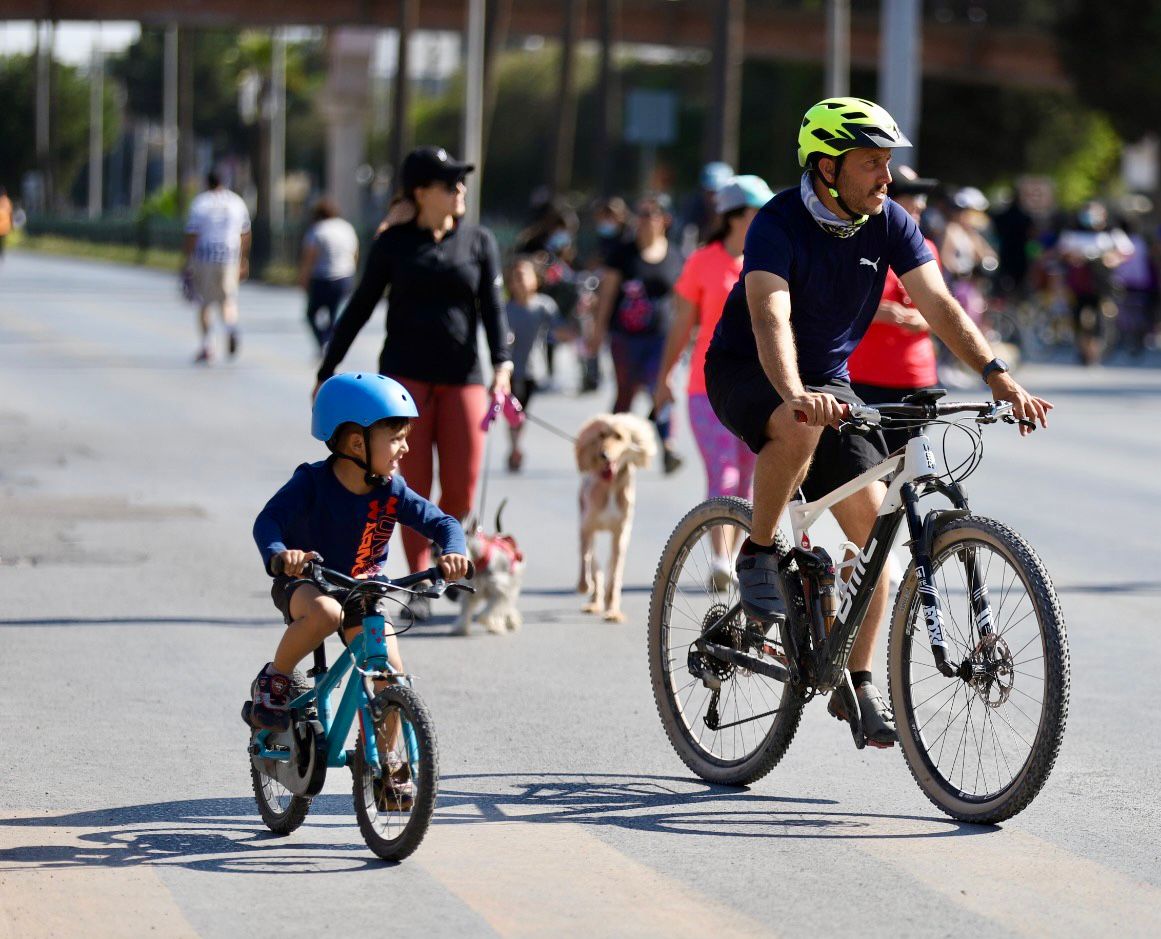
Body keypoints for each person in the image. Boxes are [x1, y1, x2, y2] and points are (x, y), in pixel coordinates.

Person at [705, 97, 1051, 748]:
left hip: (827, 383)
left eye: (887, 163)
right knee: (798, 425)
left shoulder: (886, 220)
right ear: (827, 165)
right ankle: (756, 552)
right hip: (748, 368)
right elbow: (769, 317)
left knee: (877, 560)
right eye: (871, 164)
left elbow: (939, 304)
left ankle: (855, 682)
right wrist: (794, 393)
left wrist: (996, 373)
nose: (886, 179)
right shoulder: (777, 223)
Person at [248, 375, 470, 811]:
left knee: (390, 672)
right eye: (396, 438)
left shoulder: (392, 491)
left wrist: (454, 552)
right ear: (354, 442)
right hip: (307, 581)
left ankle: (386, 768)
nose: (405, 447)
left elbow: (443, 523)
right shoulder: (312, 483)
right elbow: (267, 522)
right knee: (325, 614)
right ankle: (275, 678)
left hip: (362, 592)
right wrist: (281, 554)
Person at [316, 146, 512, 618]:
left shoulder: (479, 242)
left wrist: (503, 364)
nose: (459, 190)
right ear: (422, 193)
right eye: (449, 184)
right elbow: (360, 305)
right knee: (412, 484)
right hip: (403, 381)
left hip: (463, 376)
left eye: (460, 183)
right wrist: (329, 367)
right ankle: (417, 581)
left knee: (462, 487)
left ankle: (444, 557)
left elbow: (493, 310)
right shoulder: (393, 243)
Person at [655, 174, 774, 588]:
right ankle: (720, 558)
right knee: (722, 472)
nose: (765, 217)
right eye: (758, 211)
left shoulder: (770, 259)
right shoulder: (702, 262)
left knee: (748, 477)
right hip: (706, 387)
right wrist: (664, 376)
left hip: (760, 387)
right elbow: (681, 325)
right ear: (735, 216)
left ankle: (739, 554)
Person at [847, 166, 942, 455]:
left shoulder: (926, 248)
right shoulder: (856, 242)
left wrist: (925, 318)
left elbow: (943, 308)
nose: (920, 204)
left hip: (917, 378)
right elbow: (833, 303)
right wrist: (873, 312)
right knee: (869, 471)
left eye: (922, 197)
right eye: (911, 195)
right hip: (865, 377)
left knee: (908, 472)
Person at [588, 193, 684, 474]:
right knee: (625, 395)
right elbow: (607, 294)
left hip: (660, 338)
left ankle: (667, 445)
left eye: (650, 214)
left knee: (661, 388)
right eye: (640, 214)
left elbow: (682, 299)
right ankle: (609, 450)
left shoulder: (675, 255)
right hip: (625, 339)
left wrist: (687, 333)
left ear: (664, 220)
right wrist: (597, 331)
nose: (643, 220)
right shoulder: (622, 253)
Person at [183, 171, 252, 364]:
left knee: (204, 303)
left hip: (205, 256)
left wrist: (187, 260)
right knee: (228, 299)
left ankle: (207, 345)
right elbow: (245, 233)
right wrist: (243, 259)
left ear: (207, 182)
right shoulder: (236, 202)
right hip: (229, 256)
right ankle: (231, 328)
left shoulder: (201, 202)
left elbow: (192, 233)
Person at [504, 255, 562, 471]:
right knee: (514, 412)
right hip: (511, 370)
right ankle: (515, 447)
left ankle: (516, 445)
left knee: (523, 411)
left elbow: (559, 329)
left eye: (523, 276)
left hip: (532, 370)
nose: (519, 281)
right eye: (515, 277)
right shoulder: (505, 309)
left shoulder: (544, 306)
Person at [298, 199, 359, 352]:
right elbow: (355, 253)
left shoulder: (317, 230)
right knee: (335, 314)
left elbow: (310, 256)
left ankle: (324, 340)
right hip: (344, 276)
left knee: (311, 314)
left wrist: (303, 278)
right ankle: (329, 341)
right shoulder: (347, 228)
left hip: (322, 278)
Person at [678, 161, 735, 256]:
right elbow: (687, 253)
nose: (713, 198)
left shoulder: (740, 217)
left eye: (718, 192)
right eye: (709, 192)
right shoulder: (693, 213)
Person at [0, 187, 12, 260]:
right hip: (5, 226)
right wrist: (11, 224)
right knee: (2, 241)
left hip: (2, 225)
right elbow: (10, 213)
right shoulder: (7, 201)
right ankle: (2, 253)